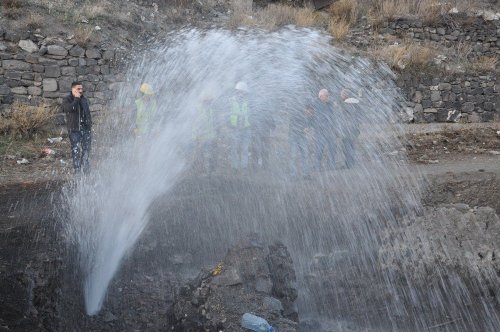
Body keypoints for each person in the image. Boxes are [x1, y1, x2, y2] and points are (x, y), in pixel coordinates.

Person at [63, 81, 92, 174]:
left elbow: (87, 113)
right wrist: (76, 99)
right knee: (76, 150)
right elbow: (70, 109)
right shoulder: (67, 99)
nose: (80, 91)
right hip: (74, 130)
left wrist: (90, 125)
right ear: (73, 89)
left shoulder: (84, 99)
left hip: (86, 129)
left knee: (86, 149)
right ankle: (77, 170)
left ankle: (85, 168)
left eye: (81, 89)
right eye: (78, 89)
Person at [228, 81, 251, 173]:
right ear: (237, 91)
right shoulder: (231, 101)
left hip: (246, 128)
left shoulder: (248, 102)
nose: (242, 94)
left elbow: (251, 114)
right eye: (240, 91)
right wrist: (229, 124)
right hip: (236, 128)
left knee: (245, 149)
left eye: (243, 92)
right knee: (235, 148)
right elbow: (227, 114)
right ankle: (235, 167)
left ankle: (244, 167)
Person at [192, 94, 217, 175]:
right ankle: (200, 171)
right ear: (204, 101)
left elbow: (211, 122)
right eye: (208, 100)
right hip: (200, 136)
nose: (210, 102)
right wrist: (200, 137)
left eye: (210, 100)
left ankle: (210, 171)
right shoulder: (198, 109)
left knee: (210, 153)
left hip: (209, 136)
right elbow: (198, 125)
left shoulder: (210, 109)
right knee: (200, 154)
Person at [313, 88, 336, 171]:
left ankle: (331, 165)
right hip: (320, 131)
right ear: (321, 96)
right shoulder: (316, 104)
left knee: (332, 149)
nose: (327, 97)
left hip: (330, 130)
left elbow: (333, 115)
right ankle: (317, 166)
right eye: (326, 95)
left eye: (328, 95)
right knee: (319, 149)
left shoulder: (330, 104)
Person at [337, 88, 360, 169]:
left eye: (342, 94)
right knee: (351, 146)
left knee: (347, 148)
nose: (340, 96)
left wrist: (338, 106)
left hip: (348, 130)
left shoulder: (346, 103)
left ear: (345, 95)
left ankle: (348, 164)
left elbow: (343, 116)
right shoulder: (355, 102)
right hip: (354, 129)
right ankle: (351, 163)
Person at [289, 104, 314, 178]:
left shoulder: (309, 117)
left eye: (311, 112)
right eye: (310, 111)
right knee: (293, 156)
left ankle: (305, 174)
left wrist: (308, 128)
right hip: (294, 137)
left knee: (305, 156)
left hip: (303, 138)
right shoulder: (297, 114)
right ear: (306, 109)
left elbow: (309, 125)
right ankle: (293, 175)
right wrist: (302, 129)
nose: (311, 113)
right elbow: (292, 126)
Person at [250, 104, 275, 171]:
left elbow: (273, 125)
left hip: (260, 134)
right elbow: (273, 125)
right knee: (263, 150)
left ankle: (256, 167)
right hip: (264, 134)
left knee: (257, 150)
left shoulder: (256, 113)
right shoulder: (267, 113)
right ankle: (264, 166)